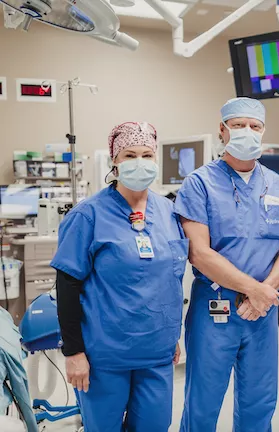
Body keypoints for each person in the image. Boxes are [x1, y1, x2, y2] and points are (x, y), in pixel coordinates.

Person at [175, 97, 279, 431]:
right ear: (222, 130)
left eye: (254, 126)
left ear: (263, 131)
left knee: (259, 402)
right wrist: (254, 291)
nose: (247, 131)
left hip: (262, 310)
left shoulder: (278, 185)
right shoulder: (199, 184)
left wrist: (264, 293)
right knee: (203, 403)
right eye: (239, 125)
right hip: (215, 307)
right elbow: (199, 252)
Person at [51, 122, 187, 431]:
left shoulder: (169, 213)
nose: (140, 162)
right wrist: (73, 352)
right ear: (115, 160)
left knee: (155, 425)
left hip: (157, 352)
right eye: (130, 155)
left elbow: (168, 282)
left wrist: (172, 337)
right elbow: (67, 286)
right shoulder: (88, 215)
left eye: (147, 155)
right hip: (104, 356)